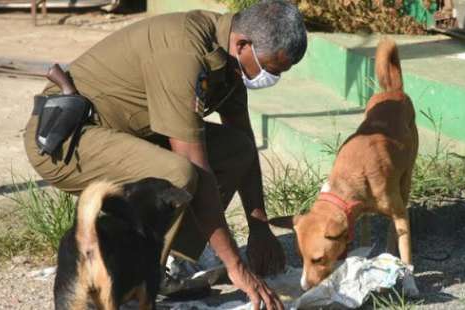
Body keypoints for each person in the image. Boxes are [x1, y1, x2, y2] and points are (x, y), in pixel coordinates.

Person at [24, 1, 307, 308]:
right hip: (69, 139)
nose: (270, 77)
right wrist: (236, 267)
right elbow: (194, 166)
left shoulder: (229, 61)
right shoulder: (184, 51)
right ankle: (139, 278)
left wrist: (259, 226)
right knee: (180, 176)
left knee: (236, 149)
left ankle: (163, 268)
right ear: (242, 44)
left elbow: (245, 145)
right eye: (270, 68)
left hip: (128, 134)